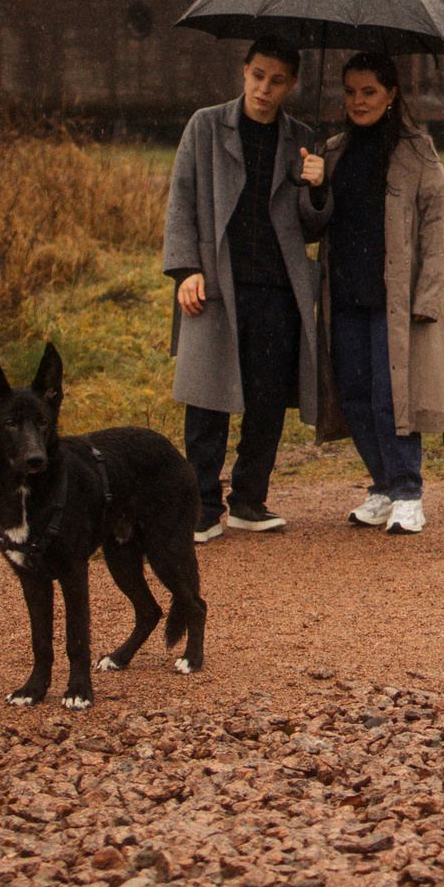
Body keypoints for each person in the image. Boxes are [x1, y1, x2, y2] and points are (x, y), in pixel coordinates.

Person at [161, 39, 328, 541]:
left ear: (291, 84)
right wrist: (186, 268)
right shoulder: (206, 126)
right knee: (207, 396)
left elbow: (312, 227)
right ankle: (202, 506)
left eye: (277, 81)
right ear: (244, 71)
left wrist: (317, 186)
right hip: (217, 282)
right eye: (258, 75)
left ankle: (249, 500)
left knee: (268, 397)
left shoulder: (301, 138)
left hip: (279, 286)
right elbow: (182, 198)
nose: (264, 88)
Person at [298, 50, 444, 535]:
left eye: (369, 92)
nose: (357, 101)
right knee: (354, 394)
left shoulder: (417, 151)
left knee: (394, 398)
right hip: (344, 296)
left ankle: (409, 492)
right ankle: (383, 486)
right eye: (349, 92)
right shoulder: (333, 150)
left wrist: (425, 300)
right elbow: (311, 226)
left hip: (394, 302)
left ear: (391, 95)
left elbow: (437, 227)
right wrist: (316, 189)